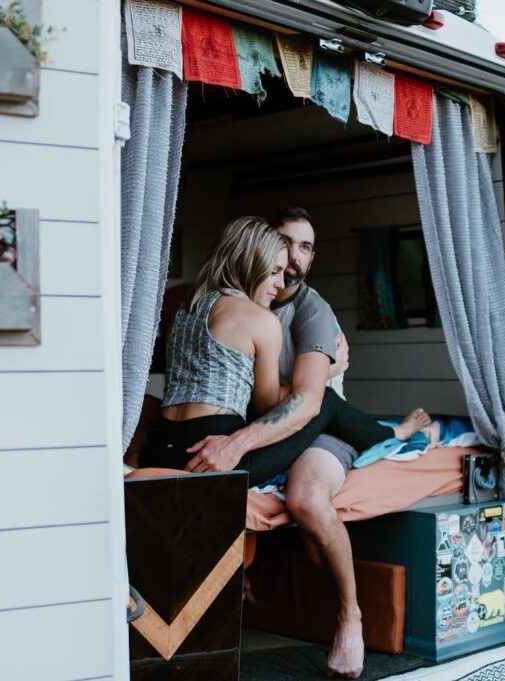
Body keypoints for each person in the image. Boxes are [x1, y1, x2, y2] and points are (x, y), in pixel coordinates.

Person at [187, 207, 432, 678]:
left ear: (312, 256)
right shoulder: (247, 306)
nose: (291, 259)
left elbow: (307, 403)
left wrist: (235, 443)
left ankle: (350, 619)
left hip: (323, 425)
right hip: (276, 425)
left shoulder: (311, 312)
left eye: (303, 248)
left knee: (306, 497)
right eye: (284, 245)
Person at [140, 216, 431, 495]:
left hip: (162, 445)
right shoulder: (261, 320)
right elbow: (265, 406)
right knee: (325, 401)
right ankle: (396, 435)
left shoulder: (186, 308)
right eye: (274, 271)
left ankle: (392, 432)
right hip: (210, 451)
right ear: (251, 264)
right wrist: (322, 376)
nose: (280, 284)